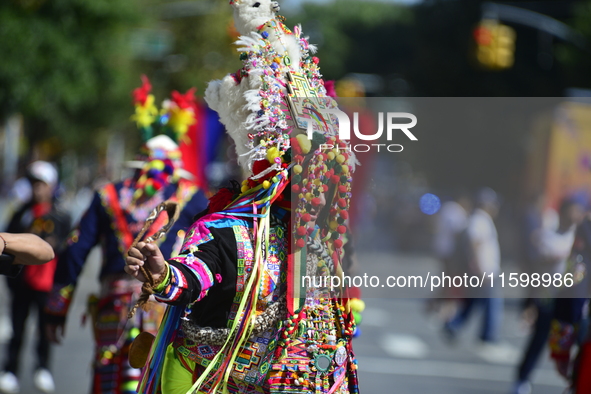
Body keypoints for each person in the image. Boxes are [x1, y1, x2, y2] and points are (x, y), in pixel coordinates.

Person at [124, 2, 359, 392]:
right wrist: (163, 274)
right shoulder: (229, 229)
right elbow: (190, 276)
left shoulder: (317, 244)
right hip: (206, 377)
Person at [44, 80, 210, 394]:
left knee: (110, 376)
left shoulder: (109, 196)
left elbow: (75, 252)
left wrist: (57, 309)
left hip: (114, 307)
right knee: (154, 378)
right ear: (175, 166)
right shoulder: (192, 197)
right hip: (165, 308)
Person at [0, 161, 71, 394]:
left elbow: (69, 248)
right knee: (17, 329)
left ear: (51, 186)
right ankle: (10, 370)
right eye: (34, 184)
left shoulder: (61, 215)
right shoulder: (21, 212)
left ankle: (43, 368)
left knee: (45, 329)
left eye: (41, 184)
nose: (37, 189)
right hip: (23, 282)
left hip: (48, 285)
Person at [512, 198, 584, 394]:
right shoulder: (548, 235)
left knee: (576, 343)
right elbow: (542, 258)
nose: (577, 215)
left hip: (572, 303)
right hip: (548, 299)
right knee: (538, 341)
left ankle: (575, 382)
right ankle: (521, 379)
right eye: (573, 210)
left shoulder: (580, 238)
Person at [444, 187, 502, 343]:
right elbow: (474, 243)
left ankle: (455, 325)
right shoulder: (479, 220)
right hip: (484, 270)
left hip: (486, 270)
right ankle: (487, 334)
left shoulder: (482, 219)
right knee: (490, 303)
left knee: (474, 302)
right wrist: (478, 267)